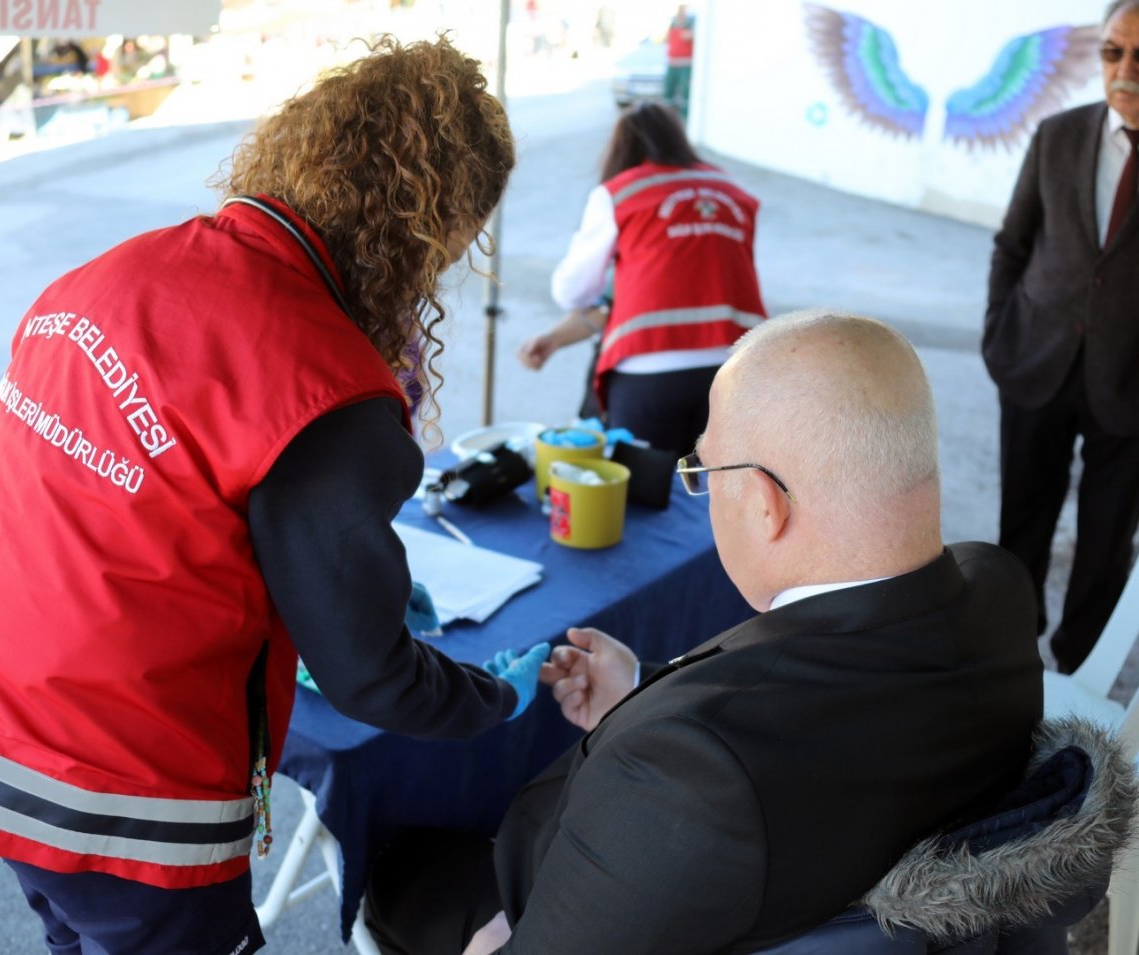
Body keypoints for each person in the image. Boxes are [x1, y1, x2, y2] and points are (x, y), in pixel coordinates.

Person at [0, 36, 549, 955]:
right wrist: (497, 700)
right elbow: (370, 676)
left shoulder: (121, 269)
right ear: (421, 227)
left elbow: (135, 502)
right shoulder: (322, 381)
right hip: (104, 786)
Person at [366, 311, 1044, 954]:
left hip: (548, 887)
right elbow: (817, 707)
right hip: (788, 863)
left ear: (764, 503)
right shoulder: (1000, 590)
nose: (705, 492)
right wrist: (644, 690)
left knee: (398, 860)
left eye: (704, 472)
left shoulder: (684, 777)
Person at [983, 0, 1139, 675]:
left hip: (1131, 384)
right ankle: (1007, 656)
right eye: (1113, 52)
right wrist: (999, 331)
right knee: (1023, 524)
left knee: (1106, 542)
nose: (1125, 70)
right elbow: (1012, 243)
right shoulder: (1057, 135)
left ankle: (1079, 675)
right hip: (1035, 360)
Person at [516, 101, 767, 454]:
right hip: (738, 367)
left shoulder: (620, 193)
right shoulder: (733, 191)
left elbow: (571, 292)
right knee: (720, 489)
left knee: (645, 493)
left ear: (622, 149)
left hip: (649, 369)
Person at [664, 4, 696, 119]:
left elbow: (687, 36)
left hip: (685, 65)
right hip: (672, 63)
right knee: (668, 93)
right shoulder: (672, 24)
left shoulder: (691, 24)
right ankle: (667, 117)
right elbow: (667, 39)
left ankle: (684, 118)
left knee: (685, 93)